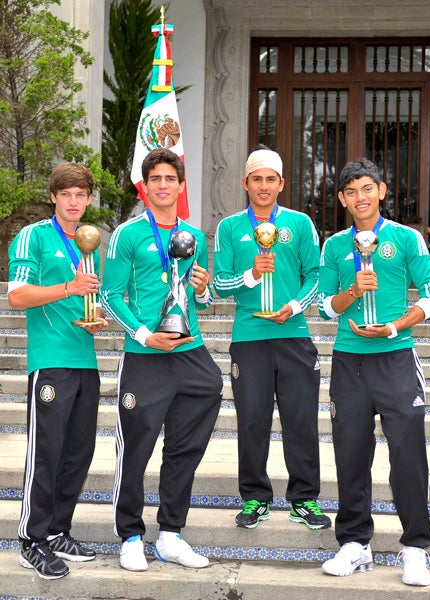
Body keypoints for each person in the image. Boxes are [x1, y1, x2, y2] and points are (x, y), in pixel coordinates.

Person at [318, 158, 430, 587]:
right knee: (351, 455)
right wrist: (352, 290)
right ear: (342, 199)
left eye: (367, 188)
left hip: (396, 359)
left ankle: (415, 548)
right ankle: (355, 543)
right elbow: (324, 306)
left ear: (382, 191)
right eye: (351, 191)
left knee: (408, 455)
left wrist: (394, 327)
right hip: (349, 361)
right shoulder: (334, 246)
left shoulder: (407, 238)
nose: (361, 197)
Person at [100, 148, 223, 572]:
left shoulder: (195, 236)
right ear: (145, 186)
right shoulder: (128, 234)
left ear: (181, 185)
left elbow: (202, 300)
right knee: (135, 449)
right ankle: (131, 536)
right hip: (144, 355)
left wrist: (203, 288)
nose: (164, 185)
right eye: (156, 179)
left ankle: (170, 533)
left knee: (185, 447)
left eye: (171, 178)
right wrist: (144, 335)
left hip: (189, 352)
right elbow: (110, 296)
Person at [213, 146, 331, 531]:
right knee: (252, 420)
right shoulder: (230, 227)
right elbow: (219, 284)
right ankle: (255, 498)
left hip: (294, 336)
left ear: (281, 184)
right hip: (249, 338)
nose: (263, 186)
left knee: (301, 420)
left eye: (270, 179)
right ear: (245, 183)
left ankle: (304, 499)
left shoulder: (299, 224)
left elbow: (316, 277)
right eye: (256, 179)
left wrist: (294, 307)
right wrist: (250, 274)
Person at [7, 162, 108, 580]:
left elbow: (88, 299)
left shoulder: (89, 241)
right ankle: (32, 540)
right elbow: (17, 295)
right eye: (65, 194)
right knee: (46, 453)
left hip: (85, 359)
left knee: (78, 453)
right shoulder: (34, 236)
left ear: (88, 199)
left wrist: (95, 316)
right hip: (50, 361)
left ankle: (57, 530)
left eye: (80, 194)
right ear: (53, 197)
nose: (73, 201)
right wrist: (70, 287)